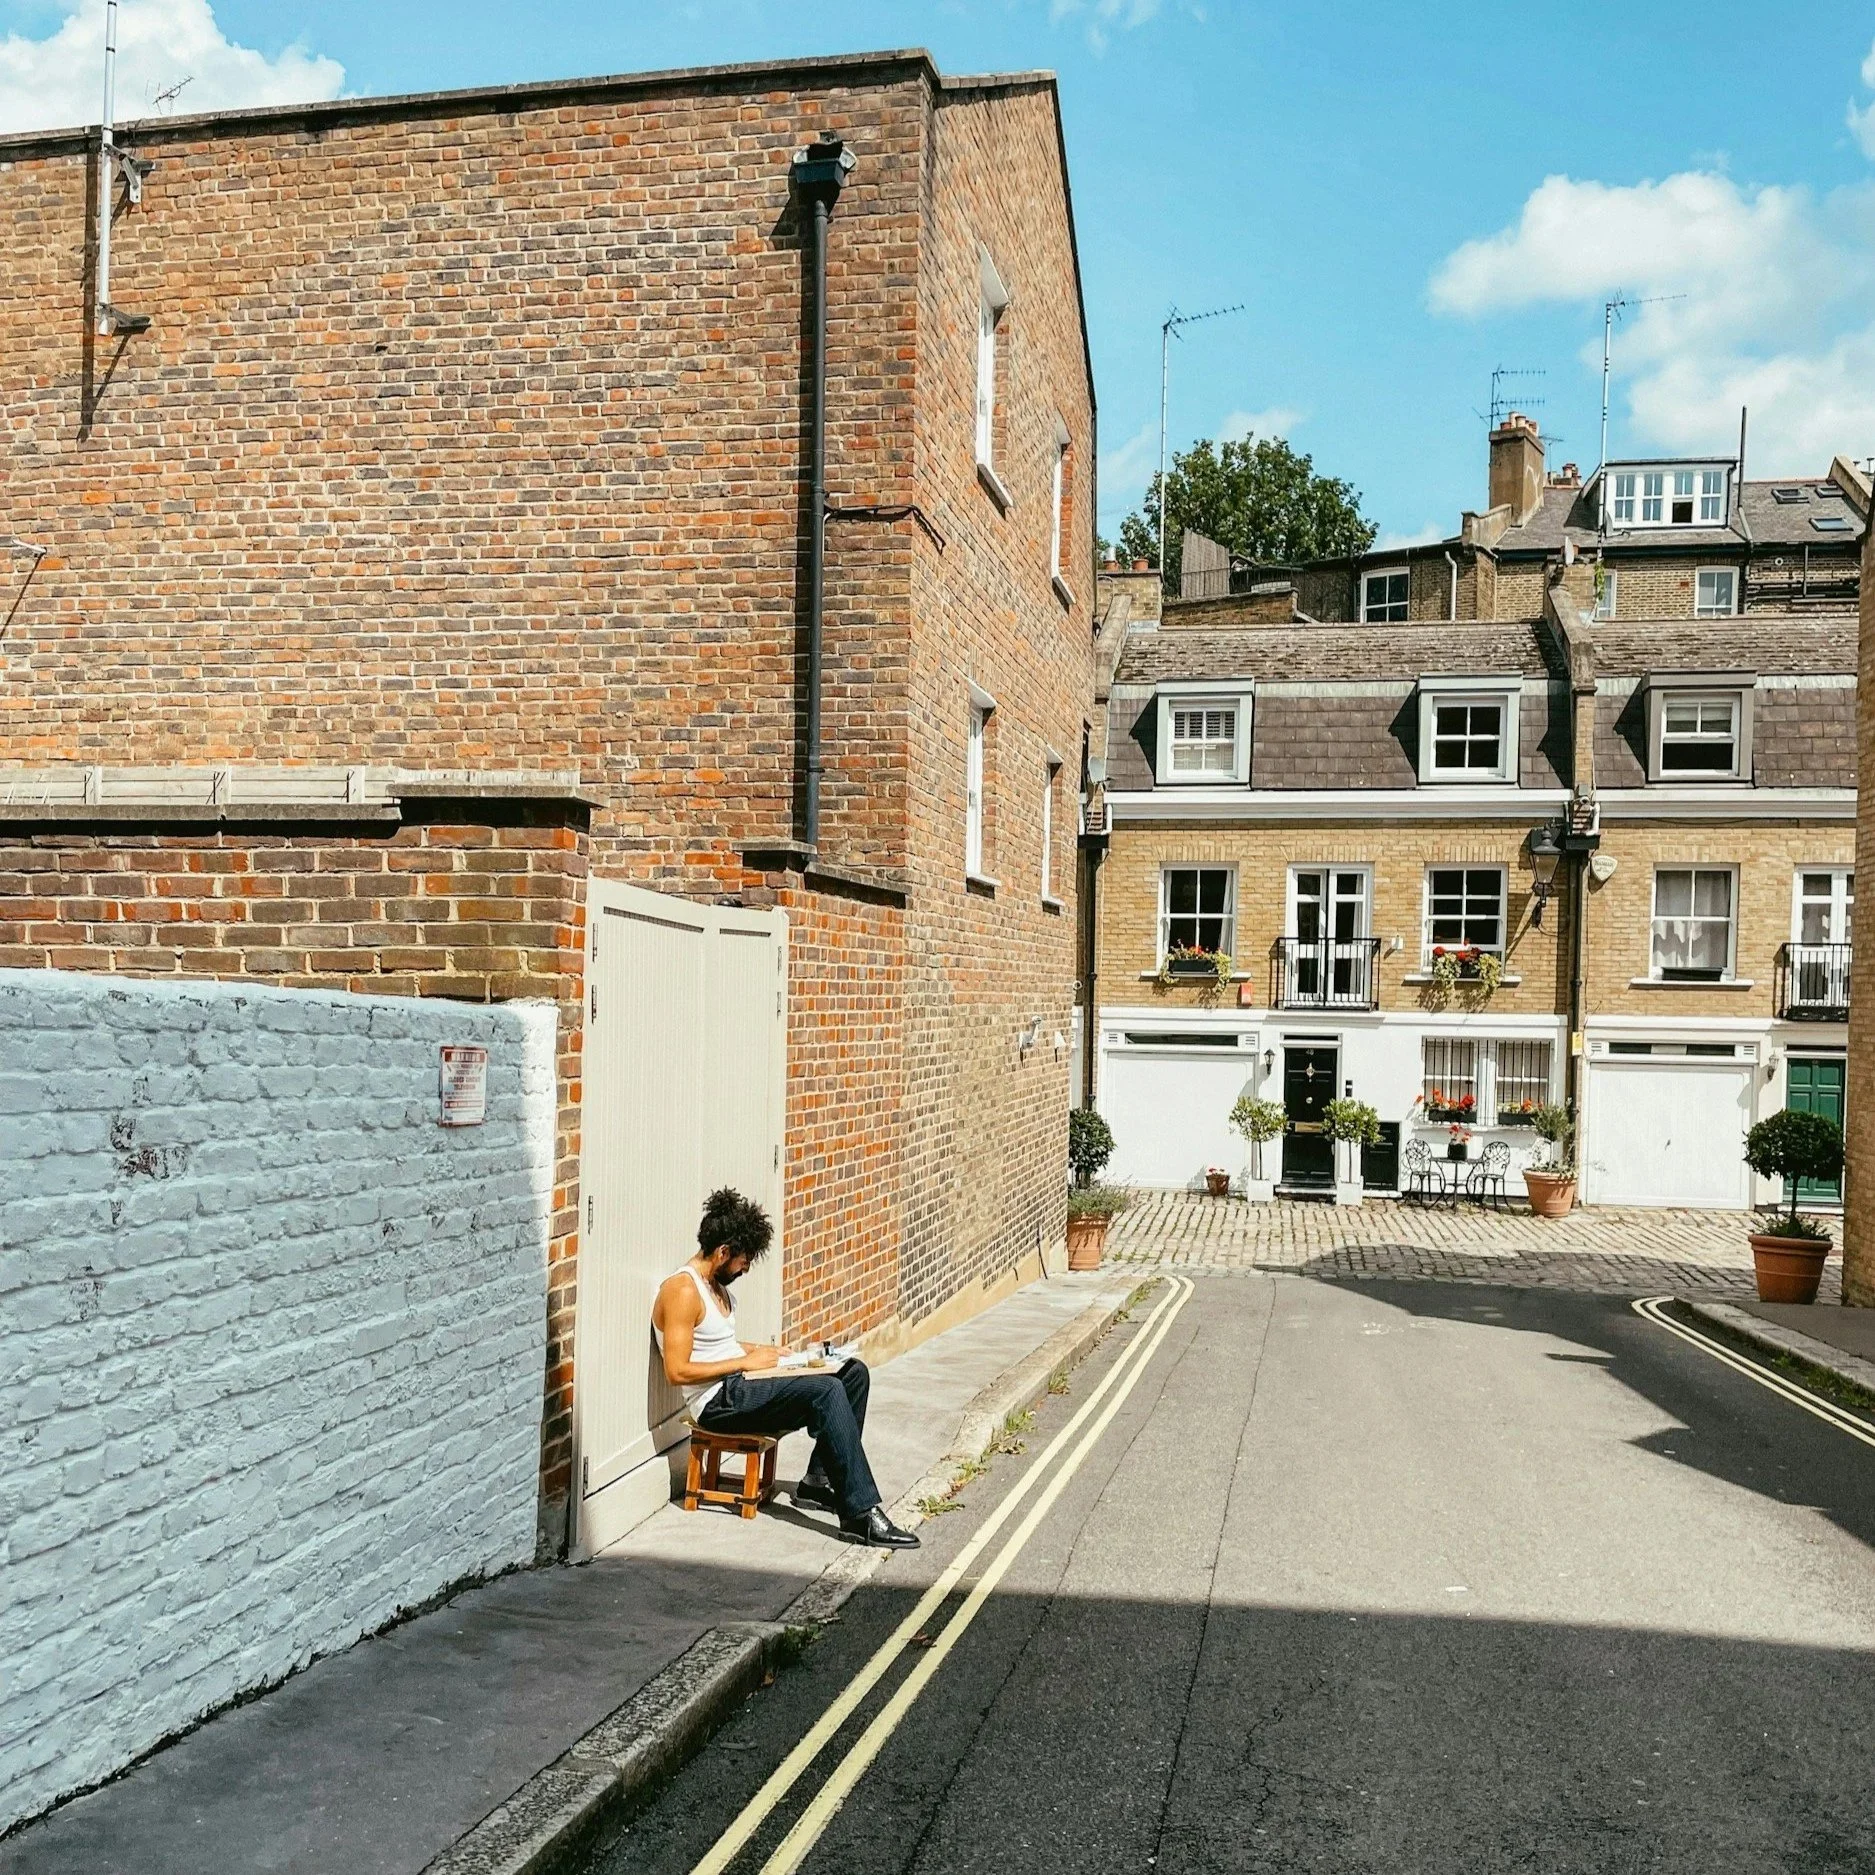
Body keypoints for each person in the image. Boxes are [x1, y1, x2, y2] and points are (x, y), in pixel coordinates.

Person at [651, 1187, 919, 1550]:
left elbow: (716, 1344)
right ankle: (859, 1514)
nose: (745, 1268)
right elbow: (677, 1370)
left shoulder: (716, 1287)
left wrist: (771, 1354)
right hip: (717, 1403)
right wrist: (747, 1362)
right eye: (742, 1261)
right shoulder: (682, 1290)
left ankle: (818, 1482)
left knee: (852, 1373)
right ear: (722, 1252)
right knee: (825, 1392)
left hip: (739, 1384)